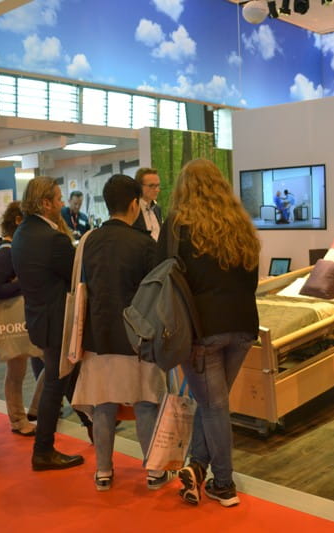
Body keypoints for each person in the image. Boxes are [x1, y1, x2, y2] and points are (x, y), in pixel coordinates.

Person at [159, 159, 259, 508]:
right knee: (212, 403)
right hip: (244, 326)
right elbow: (251, 278)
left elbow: (162, 276)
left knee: (214, 405)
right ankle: (197, 467)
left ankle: (225, 484)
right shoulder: (241, 225)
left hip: (201, 331)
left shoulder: (177, 225)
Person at [72, 174, 168, 492]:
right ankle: (154, 470)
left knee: (103, 404)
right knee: (145, 402)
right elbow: (156, 294)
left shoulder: (88, 241)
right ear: (134, 204)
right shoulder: (145, 244)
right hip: (136, 337)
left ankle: (103, 471)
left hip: (97, 337)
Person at [12, 176, 85, 471]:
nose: (61, 203)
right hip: (57, 321)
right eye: (57, 198)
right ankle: (43, 450)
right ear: (45, 203)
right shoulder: (54, 239)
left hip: (38, 318)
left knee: (63, 380)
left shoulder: (22, 233)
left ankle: (92, 426)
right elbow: (76, 276)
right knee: (56, 384)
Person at [0, 201, 43, 437]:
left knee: (23, 369)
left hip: (20, 317)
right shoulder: (7, 252)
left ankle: (27, 414)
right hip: (15, 317)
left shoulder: (9, 249)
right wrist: (24, 283)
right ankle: (20, 418)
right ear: (18, 221)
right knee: (21, 370)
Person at [132, 167, 163, 240]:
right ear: (139, 186)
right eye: (151, 186)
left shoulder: (157, 209)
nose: (157, 190)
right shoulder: (132, 210)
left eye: (158, 185)